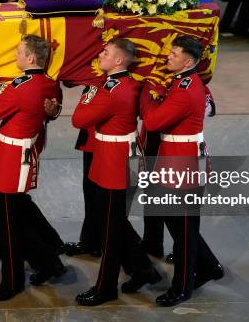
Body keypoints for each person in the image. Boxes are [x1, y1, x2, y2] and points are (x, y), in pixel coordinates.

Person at [72, 38, 161, 307]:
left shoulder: (111, 91)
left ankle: (106, 287)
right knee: (112, 222)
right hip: (114, 158)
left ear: (120, 61)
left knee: (110, 229)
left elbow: (79, 119)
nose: (101, 54)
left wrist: (89, 96)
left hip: (115, 163)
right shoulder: (131, 84)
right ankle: (144, 269)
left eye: (106, 52)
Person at [0, 35, 66, 301]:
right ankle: (50, 261)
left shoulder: (18, 87)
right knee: (18, 213)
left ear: (30, 58)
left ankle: (13, 281)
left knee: (7, 224)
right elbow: (52, 109)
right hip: (24, 152)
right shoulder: (50, 83)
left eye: (19, 53)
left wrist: (3, 90)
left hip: (12, 157)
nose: (15, 56)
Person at [141, 36, 223, 307]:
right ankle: (209, 266)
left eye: (174, 54)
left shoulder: (185, 89)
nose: (168, 56)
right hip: (176, 158)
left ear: (188, 61)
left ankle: (182, 287)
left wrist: (147, 96)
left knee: (184, 230)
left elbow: (152, 122)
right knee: (178, 222)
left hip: (183, 162)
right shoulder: (182, 80)